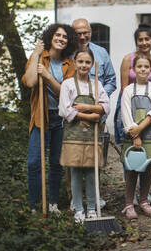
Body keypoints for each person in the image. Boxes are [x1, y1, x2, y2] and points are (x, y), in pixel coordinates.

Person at [22, 23, 78, 214]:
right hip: (40, 117)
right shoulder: (39, 58)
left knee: (56, 163)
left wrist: (46, 76)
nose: (61, 39)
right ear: (50, 37)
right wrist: (37, 54)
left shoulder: (69, 65)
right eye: (58, 35)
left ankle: (52, 203)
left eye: (65, 37)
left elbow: (67, 94)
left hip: (60, 120)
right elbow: (29, 82)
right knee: (34, 163)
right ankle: (34, 205)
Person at [58, 49, 110, 222]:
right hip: (74, 135)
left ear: (92, 64)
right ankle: (79, 209)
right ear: (75, 63)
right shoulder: (67, 85)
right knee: (75, 172)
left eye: (88, 62)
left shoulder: (97, 85)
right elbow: (65, 110)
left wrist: (88, 108)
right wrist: (91, 116)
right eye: (80, 62)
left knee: (91, 172)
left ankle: (92, 209)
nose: (84, 65)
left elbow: (105, 107)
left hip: (92, 136)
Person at [72, 18, 116, 210]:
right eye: (78, 33)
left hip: (98, 115)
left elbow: (111, 80)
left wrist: (96, 100)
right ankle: (75, 198)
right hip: (75, 115)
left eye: (85, 32)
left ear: (90, 31)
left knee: (95, 158)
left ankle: (94, 196)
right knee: (75, 158)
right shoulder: (69, 53)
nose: (82, 36)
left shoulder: (101, 53)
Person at [115, 24, 151, 204]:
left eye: (147, 39)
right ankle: (131, 192)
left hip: (146, 107)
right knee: (131, 150)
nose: (144, 42)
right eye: (140, 40)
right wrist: (132, 122)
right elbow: (124, 88)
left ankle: (143, 193)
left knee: (145, 151)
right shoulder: (128, 59)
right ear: (136, 42)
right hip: (128, 105)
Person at [120, 53, 151, 218]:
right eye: (139, 66)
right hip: (133, 136)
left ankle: (144, 200)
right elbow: (126, 114)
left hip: (150, 133)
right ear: (133, 69)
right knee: (132, 169)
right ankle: (129, 204)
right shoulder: (128, 90)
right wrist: (134, 134)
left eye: (146, 66)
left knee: (147, 168)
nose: (143, 69)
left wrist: (140, 128)